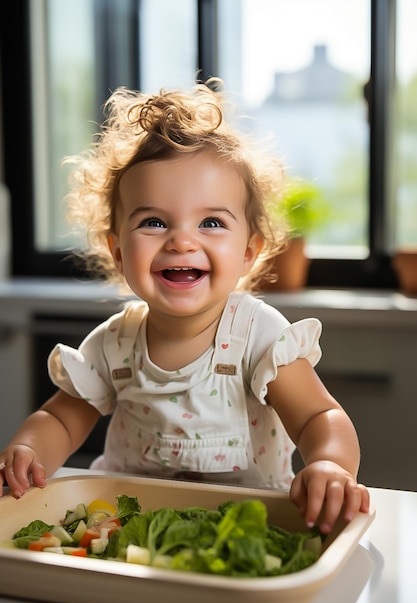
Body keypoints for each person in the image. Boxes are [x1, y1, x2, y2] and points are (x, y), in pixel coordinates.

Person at [0, 80, 369, 533]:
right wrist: (28, 451)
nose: (182, 240)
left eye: (211, 222)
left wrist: (331, 464)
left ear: (249, 251)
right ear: (118, 251)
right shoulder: (115, 344)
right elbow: (60, 417)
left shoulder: (258, 335)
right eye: (153, 221)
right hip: (131, 532)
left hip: (249, 533)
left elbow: (319, 416)